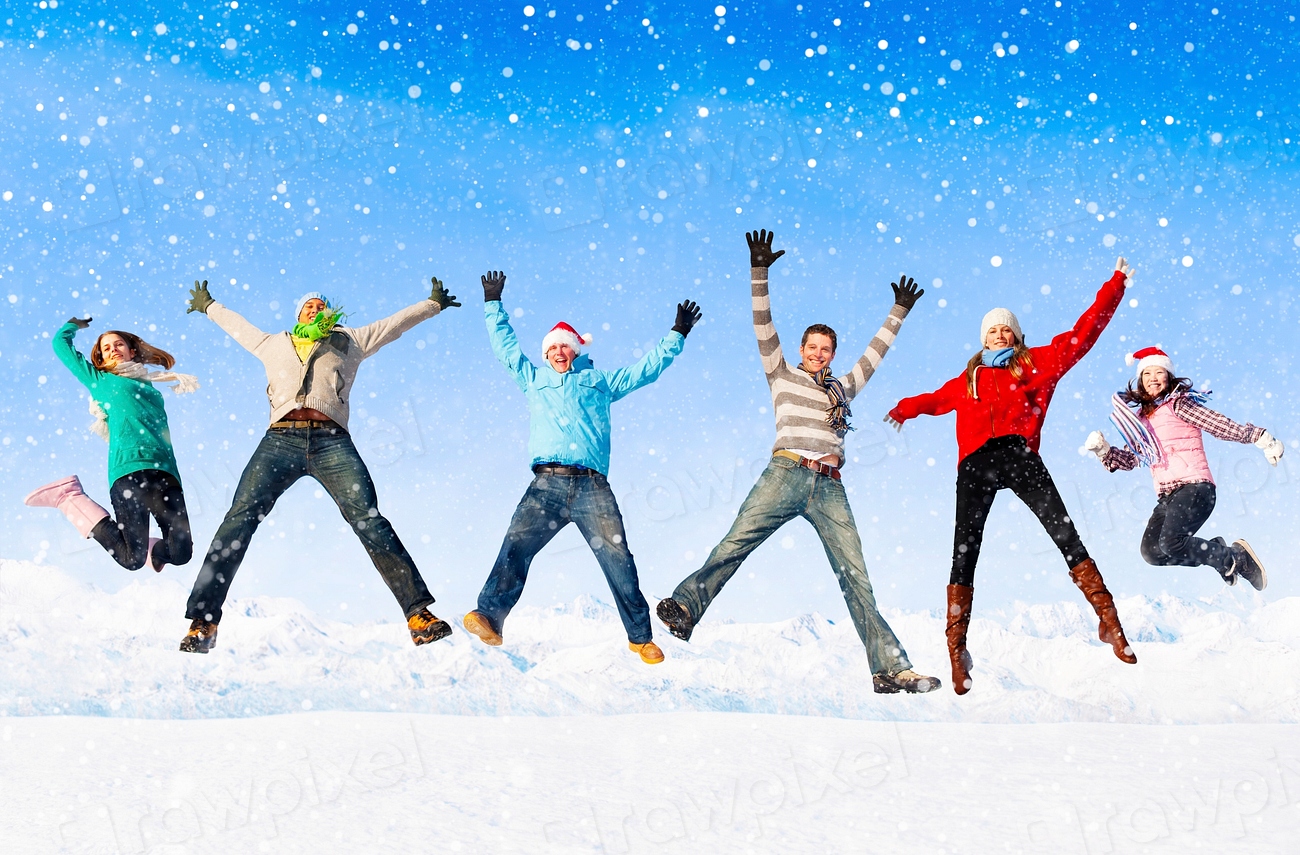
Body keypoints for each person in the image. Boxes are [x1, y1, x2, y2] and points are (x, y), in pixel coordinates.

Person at [656, 229, 939, 694]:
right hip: (785, 474)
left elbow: (875, 355)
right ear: (803, 349)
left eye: (826, 349)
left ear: (832, 355)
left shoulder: (841, 389)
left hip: (829, 485)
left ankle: (889, 668)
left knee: (855, 575)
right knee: (736, 541)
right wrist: (760, 271)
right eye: (812, 347)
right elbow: (762, 323)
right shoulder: (781, 372)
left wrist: (898, 312)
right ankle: (686, 608)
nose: (818, 353)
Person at [886, 257, 1138, 695]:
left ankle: (1108, 619)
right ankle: (957, 650)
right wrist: (904, 409)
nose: (999, 334)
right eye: (992, 330)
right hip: (975, 467)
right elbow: (933, 399)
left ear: (1018, 336)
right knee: (964, 552)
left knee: (1065, 534)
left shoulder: (1037, 364)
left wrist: (1114, 285)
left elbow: (1082, 336)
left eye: (1006, 329)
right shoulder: (968, 381)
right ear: (982, 338)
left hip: (1020, 456)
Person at [178, 278, 460, 653]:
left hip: (332, 443)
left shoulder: (350, 340)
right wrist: (210, 305)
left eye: (321, 305)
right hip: (280, 440)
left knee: (369, 519)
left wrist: (432, 304)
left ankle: (418, 615)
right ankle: (203, 622)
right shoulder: (273, 343)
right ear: (298, 314)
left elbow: (394, 325)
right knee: (239, 517)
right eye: (308, 305)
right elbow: (239, 327)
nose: (315, 309)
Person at [461, 270, 700, 665]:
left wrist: (676, 334)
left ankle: (640, 638)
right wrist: (492, 303)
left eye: (565, 347)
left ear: (575, 350)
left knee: (618, 560)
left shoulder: (599, 381)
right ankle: (489, 616)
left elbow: (645, 370)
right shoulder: (532, 379)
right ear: (546, 353)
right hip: (546, 484)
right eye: (553, 347)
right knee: (516, 547)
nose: (559, 352)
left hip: (592, 487)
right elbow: (505, 348)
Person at [1083, 346, 1280, 590]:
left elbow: (1218, 424)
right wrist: (1104, 451)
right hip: (1167, 497)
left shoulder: (1179, 404)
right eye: (1147, 374)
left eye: (1159, 372)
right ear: (1140, 381)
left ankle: (1232, 558)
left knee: (1171, 542)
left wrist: (1259, 437)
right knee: (1152, 552)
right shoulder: (1142, 422)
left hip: (1195, 487)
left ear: (1169, 376)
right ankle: (1218, 552)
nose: (1153, 378)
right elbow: (1133, 458)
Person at [24, 317, 198, 573]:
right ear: (102, 359)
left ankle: (153, 550)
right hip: (128, 472)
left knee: (181, 554)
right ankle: (69, 496)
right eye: (106, 348)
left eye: (118, 344)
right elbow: (60, 345)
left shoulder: (150, 386)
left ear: (132, 351)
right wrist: (72, 326)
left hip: (166, 474)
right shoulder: (101, 382)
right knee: (131, 560)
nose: (113, 349)